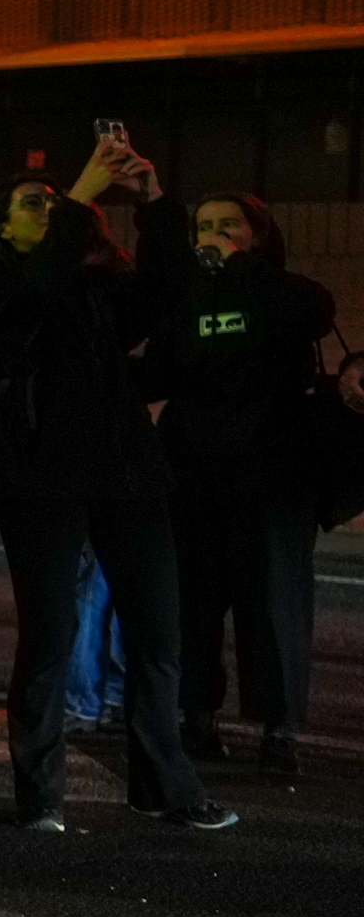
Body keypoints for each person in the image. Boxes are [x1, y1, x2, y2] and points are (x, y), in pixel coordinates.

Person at [0, 137, 234, 836]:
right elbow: (20, 313)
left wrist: (155, 203)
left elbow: (166, 290)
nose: (52, 211)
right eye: (34, 204)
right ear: (2, 229)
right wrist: (78, 197)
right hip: (41, 480)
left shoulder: (95, 293)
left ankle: (162, 786)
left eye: (60, 203)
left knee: (157, 632)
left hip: (127, 473)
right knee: (50, 635)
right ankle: (41, 794)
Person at [151, 189, 334, 774]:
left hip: (272, 476)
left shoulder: (282, 291)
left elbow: (315, 312)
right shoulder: (184, 298)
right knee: (193, 606)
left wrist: (242, 267)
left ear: (259, 233)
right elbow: (156, 374)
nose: (216, 234)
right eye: (204, 226)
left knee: (274, 606)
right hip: (193, 476)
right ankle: (193, 720)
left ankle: (279, 731)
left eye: (230, 224)